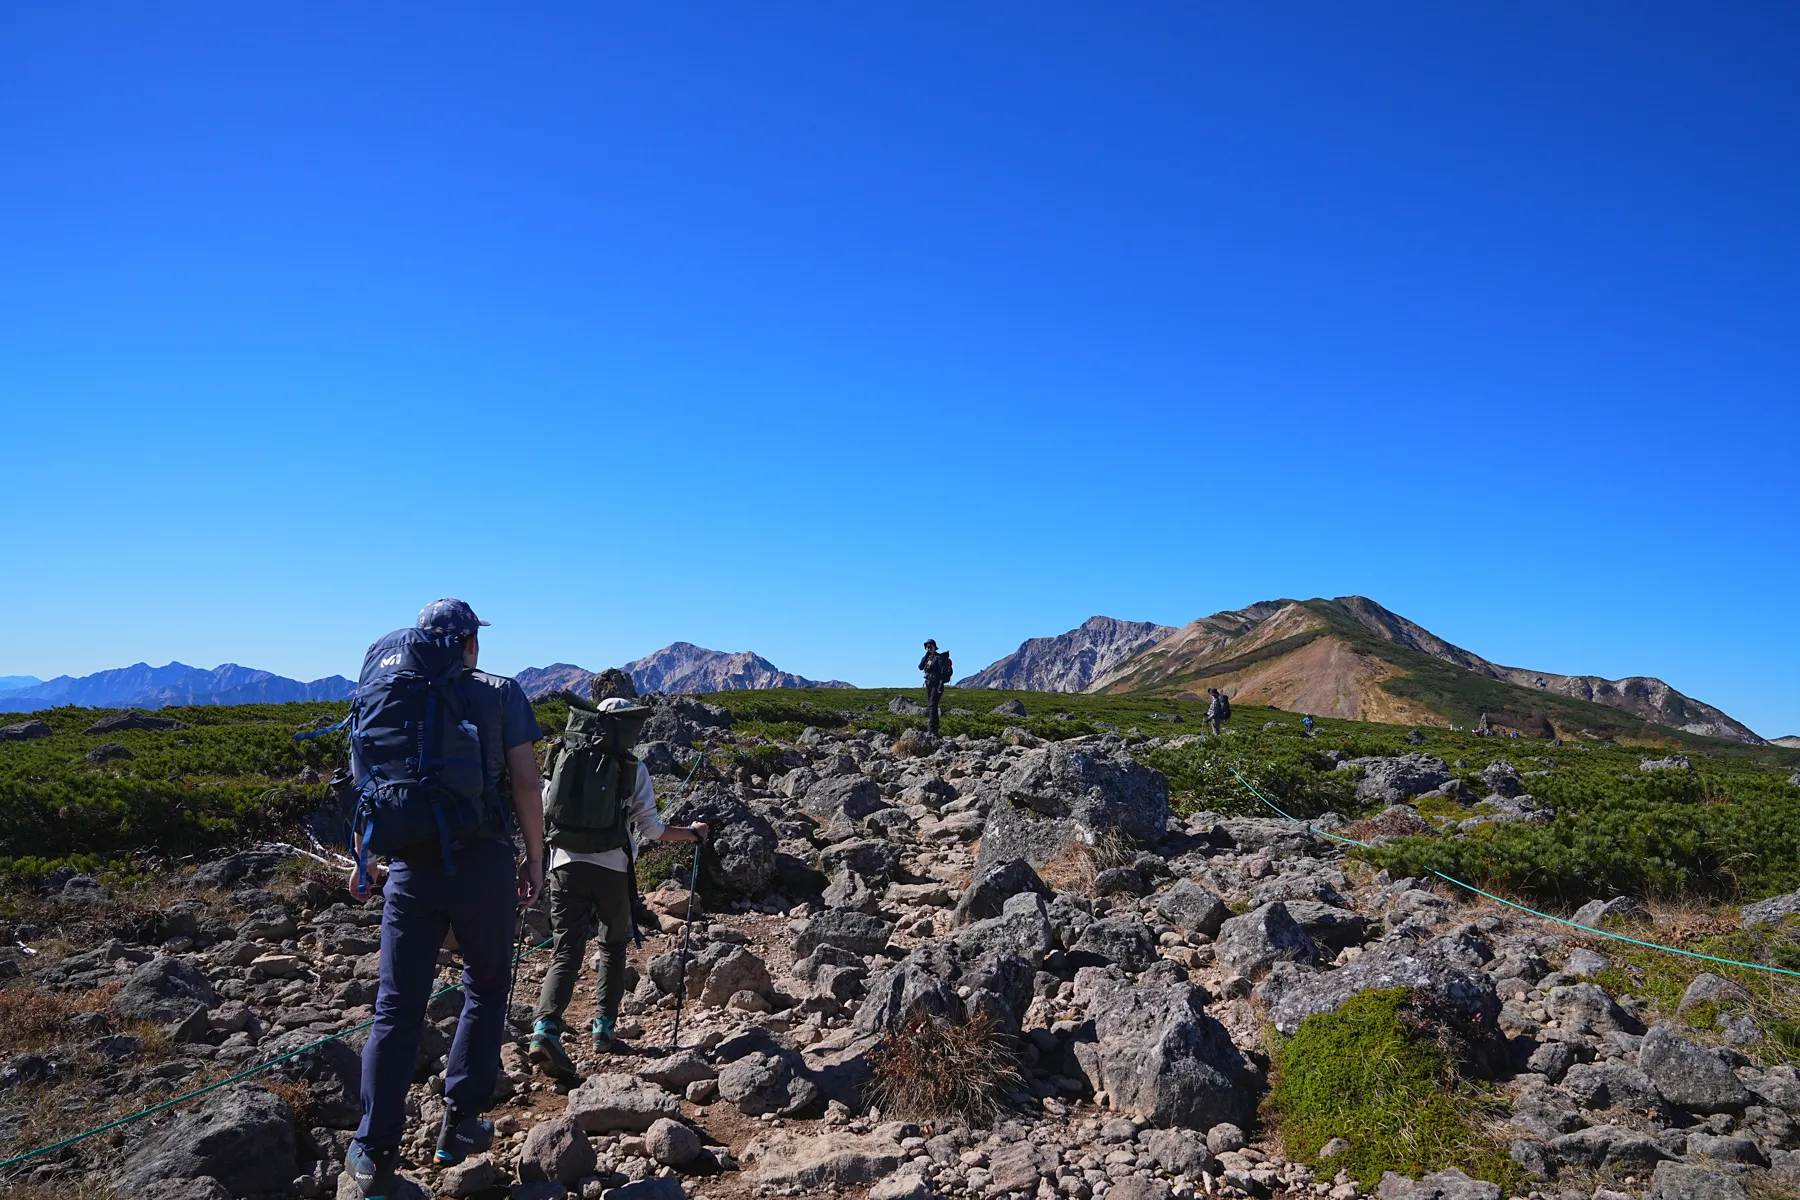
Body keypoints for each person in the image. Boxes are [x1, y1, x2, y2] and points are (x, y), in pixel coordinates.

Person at [345, 599, 546, 1200]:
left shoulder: (384, 693)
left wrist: (366, 860)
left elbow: (366, 786)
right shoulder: (500, 693)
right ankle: (459, 1122)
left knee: (396, 1008)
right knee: (484, 986)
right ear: (468, 642)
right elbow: (526, 782)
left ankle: (372, 1147)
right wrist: (534, 860)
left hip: (409, 871)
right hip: (481, 864)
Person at [528, 692, 710, 1080]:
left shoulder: (561, 757)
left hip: (564, 867)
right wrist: (693, 834)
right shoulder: (632, 767)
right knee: (612, 947)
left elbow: (544, 810)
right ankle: (603, 1029)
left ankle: (545, 1027)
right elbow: (653, 830)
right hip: (613, 870)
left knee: (565, 949)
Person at [918, 639, 953, 736]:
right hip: (929, 684)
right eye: (927, 647)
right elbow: (920, 667)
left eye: (930, 647)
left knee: (933, 705)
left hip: (937, 684)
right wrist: (925, 656)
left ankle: (932, 729)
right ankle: (935, 728)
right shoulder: (928, 658)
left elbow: (943, 672)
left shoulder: (939, 658)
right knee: (931, 705)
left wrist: (941, 684)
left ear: (935, 647)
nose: (929, 649)